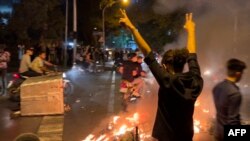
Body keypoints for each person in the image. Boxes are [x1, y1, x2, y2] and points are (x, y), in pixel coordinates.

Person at [119, 10, 203, 141]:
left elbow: (147, 53)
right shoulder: (195, 80)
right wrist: (191, 30)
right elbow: (192, 54)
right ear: (184, 63)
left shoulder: (167, 81)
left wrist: (132, 28)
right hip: (186, 136)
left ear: (164, 66)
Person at [212, 58, 246, 141]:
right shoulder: (235, 93)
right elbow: (233, 122)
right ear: (238, 74)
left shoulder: (217, 87)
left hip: (217, 133)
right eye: (242, 73)